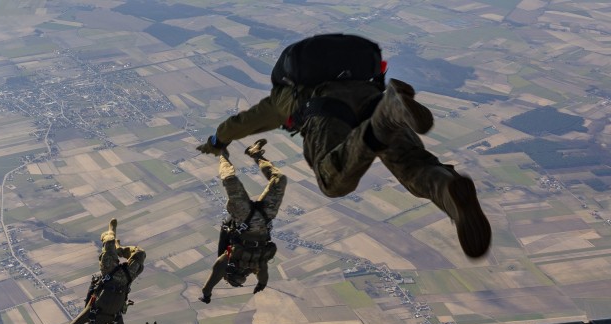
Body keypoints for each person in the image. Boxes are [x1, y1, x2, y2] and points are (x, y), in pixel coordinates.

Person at [196, 33, 491, 258]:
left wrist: (216, 142)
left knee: (333, 181)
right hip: (373, 94)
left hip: (329, 105)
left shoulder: (281, 98)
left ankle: (384, 118)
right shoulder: (359, 77)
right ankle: (451, 194)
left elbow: (238, 124)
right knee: (415, 165)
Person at [198, 138, 286, 304]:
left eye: (239, 276)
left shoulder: (230, 258)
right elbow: (263, 273)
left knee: (231, 181)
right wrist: (261, 283)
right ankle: (255, 153)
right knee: (279, 179)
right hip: (266, 216)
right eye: (244, 277)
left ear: (231, 272)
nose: (243, 274)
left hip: (244, 218)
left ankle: (222, 154)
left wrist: (207, 293)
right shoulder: (257, 265)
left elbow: (217, 269)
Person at [58, 218, 146, 324]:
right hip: (125, 280)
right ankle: (119, 249)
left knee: (109, 241)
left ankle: (112, 235)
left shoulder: (91, 312)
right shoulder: (114, 319)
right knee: (140, 254)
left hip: (109, 274)